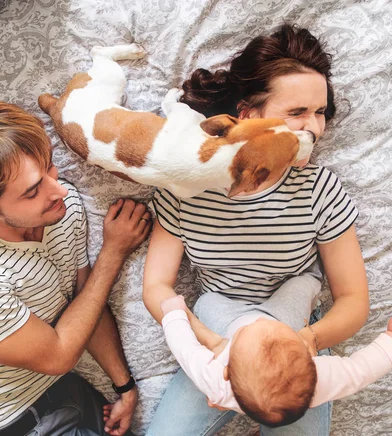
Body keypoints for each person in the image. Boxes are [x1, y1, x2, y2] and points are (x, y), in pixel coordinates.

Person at [143, 24, 369, 436]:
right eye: (297, 113)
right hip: (219, 323)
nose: (314, 128)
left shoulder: (318, 188)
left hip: (295, 329)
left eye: (319, 112)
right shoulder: (184, 191)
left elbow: (353, 299)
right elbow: (157, 287)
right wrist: (212, 347)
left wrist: (306, 342)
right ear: (248, 115)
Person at [0, 97, 151, 436]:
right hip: (11, 421)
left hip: (67, 390)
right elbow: (59, 353)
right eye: (31, 192)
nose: (59, 190)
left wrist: (125, 388)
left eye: (49, 167)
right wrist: (113, 252)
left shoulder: (62, 208)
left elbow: (85, 303)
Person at [159, 294, 392, 427]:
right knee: (304, 283)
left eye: (251, 330)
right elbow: (362, 370)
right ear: (311, 357)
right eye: (274, 326)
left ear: (226, 369)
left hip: (224, 318)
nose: (261, 319)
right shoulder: (321, 379)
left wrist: (173, 314)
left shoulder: (217, 382)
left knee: (207, 301)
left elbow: (186, 348)